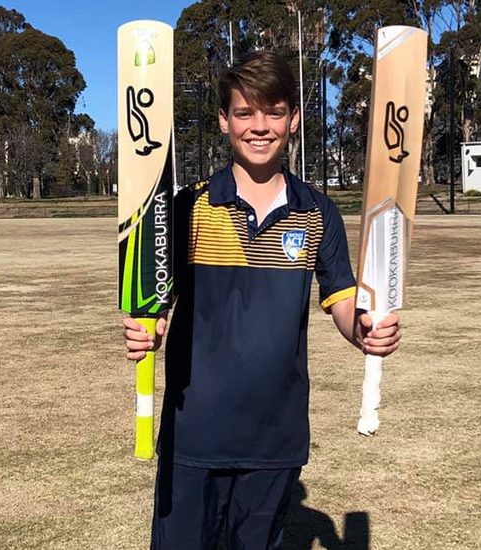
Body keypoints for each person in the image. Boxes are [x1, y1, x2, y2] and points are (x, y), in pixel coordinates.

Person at [123, 50, 401, 550]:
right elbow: (157, 301)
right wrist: (151, 326)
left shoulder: (317, 212)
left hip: (275, 435)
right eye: (245, 112)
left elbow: (341, 300)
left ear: (293, 119)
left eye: (273, 112)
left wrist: (364, 331)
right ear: (224, 120)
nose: (259, 126)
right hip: (195, 433)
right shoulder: (187, 206)